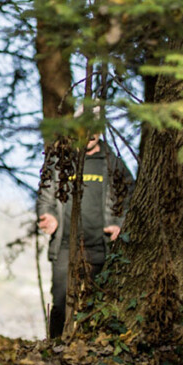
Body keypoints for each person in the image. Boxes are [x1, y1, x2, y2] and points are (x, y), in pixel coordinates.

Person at [36, 113, 134, 338]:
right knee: (60, 302)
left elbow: (130, 195)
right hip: (64, 245)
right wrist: (47, 215)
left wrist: (119, 223)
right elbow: (45, 194)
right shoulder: (61, 160)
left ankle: (90, 351)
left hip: (100, 247)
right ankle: (55, 347)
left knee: (98, 303)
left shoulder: (112, 161)